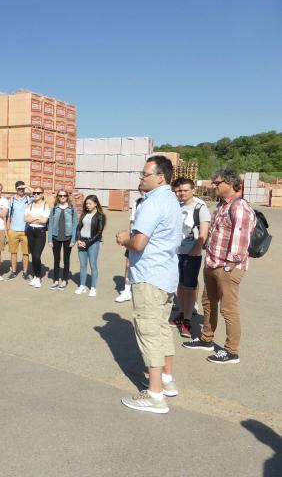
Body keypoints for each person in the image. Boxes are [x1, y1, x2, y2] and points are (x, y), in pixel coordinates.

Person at [116, 155, 182, 414]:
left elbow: (139, 242)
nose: (140, 178)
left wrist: (124, 238)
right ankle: (166, 380)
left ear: (160, 177)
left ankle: (154, 395)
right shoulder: (172, 201)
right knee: (162, 329)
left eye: (144, 174)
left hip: (150, 277)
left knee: (149, 333)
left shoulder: (153, 203)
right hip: (165, 276)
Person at [183, 168, 256, 364]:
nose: (214, 186)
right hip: (213, 263)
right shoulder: (223, 205)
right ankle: (207, 339)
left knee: (228, 308)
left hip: (227, 267)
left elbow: (241, 240)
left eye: (218, 183)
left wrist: (229, 266)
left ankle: (232, 351)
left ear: (231, 184)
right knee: (208, 302)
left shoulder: (239, 207)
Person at [171, 178, 210, 338]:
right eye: (179, 191)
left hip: (191, 255)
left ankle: (187, 320)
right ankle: (181, 313)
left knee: (189, 287)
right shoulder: (175, 206)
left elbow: (204, 233)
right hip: (176, 253)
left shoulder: (200, 207)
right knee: (179, 286)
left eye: (185, 190)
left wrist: (195, 250)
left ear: (193, 190)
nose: (181, 193)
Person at [116, 187, 144, 303]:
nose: (143, 193)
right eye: (141, 191)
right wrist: (129, 237)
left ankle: (140, 291)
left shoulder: (154, 204)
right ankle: (127, 290)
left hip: (146, 240)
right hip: (134, 237)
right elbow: (132, 221)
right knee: (128, 265)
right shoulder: (137, 203)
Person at [75, 195, 106, 297]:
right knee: (82, 265)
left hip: (93, 243)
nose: (87, 205)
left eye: (90, 203)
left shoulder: (100, 216)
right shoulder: (84, 214)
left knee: (93, 265)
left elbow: (99, 233)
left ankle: (93, 288)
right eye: (86, 203)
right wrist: (78, 239)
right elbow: (79, 227)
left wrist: (87, 243)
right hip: (81, 242)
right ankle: (82, 286)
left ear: (96, 204)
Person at [47, 189, 77, 290]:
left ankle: (64, 280)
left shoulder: (72, 209)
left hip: (68, 237)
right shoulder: (54, 209)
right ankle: (56, 280)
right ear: (58, 197)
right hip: (56, 237)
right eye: (60, 195)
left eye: (64, 195)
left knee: (66, 260)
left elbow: (75, 225)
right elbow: (50, 224)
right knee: (56, 260)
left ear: (67, 197)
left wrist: (73, 240)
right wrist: (49, 239)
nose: (62, 197)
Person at [24, 187, 50, 288]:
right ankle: (35, 276)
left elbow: (44, 221)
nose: (36, 194)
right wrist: (36, 218)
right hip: (30, 231)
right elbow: (25, 218)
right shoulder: (30, 205)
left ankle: (38, 277)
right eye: (34, 193)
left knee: (37, 256)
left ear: (42, 194)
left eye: (38, 193)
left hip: (40, 232)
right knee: (32, 255)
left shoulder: (45, 206)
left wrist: (32, 219)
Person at [6, 181, 33, 280]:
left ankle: (25, 272)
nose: (21, 190)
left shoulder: (29, 199)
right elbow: (8, 216)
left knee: (26, 253)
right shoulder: (11, 200)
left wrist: (26, 186)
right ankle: (13, 271)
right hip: (13, 230)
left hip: (26, 230)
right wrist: (8, 230)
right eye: (19, 188)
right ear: (16, 189)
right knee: (13, 253)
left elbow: (37, 194)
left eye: (22, 188)